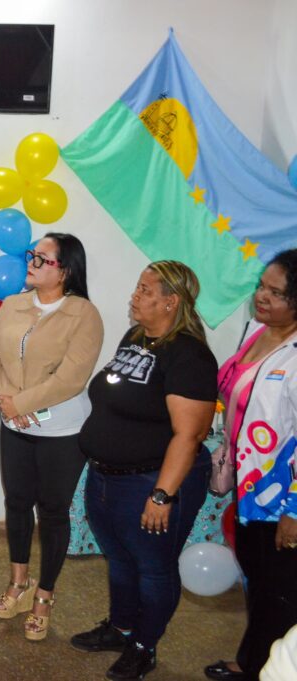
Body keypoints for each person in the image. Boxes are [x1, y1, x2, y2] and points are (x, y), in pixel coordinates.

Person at [72, 261, 217, 681]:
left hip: (151, 481)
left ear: (171, 302)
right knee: (119, 559)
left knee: (153, 569)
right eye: (138, 287)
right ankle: (121, 628)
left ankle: (144, 645)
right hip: (107, 476)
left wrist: (162, 495)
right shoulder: (136, 338)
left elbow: (189, 435)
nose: (135, 296)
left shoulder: (189, 355)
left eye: (145, 290)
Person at [0, 233, 103, 641]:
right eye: (32, 255)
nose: (30, 262)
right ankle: (19, 582)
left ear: (65, 270)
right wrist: (8, 402)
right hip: (14, 424)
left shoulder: (84, 314)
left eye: (41, 258)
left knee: (52, 511)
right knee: (16, 502)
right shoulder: (13, 304)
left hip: (61, 431)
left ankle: (45, 595)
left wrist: (21, 403)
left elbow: (72, 378)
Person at [203, 250, 297, 681]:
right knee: (258, 579)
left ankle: (265, 668)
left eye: (276, 293)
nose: (262, 296)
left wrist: (294, 510)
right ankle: (253, 661)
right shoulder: (258, 332)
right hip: (251, 483)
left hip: (282, 495)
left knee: (280, 590)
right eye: (262, 286)